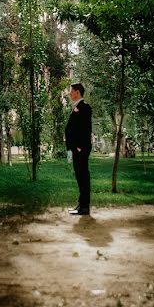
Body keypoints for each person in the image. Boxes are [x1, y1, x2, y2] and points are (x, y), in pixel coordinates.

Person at [65, 83, 92, 215]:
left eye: (72, 91)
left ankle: (85, 207)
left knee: (83, 176)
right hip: (76, 148)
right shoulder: (77, 107)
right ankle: (81, 205)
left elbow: (84, 129)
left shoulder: (84, 107)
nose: (70, 94)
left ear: (77, 92)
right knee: (79, 176)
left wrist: (80, 146)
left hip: (81, 148)